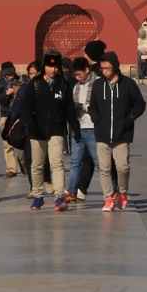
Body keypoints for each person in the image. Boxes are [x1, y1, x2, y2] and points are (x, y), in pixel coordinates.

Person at [15, 52, 75, 211]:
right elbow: (26, 109)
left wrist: (75, 129)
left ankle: (58, 197)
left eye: (55, 66)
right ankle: (38, 196)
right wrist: (32, 126)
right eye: (50, 66)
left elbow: (69, 110)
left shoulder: (63, 85)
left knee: (57, 163)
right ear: (44, 66)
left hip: (56, 130)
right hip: (36, 131)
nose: (53, 70)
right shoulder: (34, 84)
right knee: (37, 165)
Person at [89, 51, 146, 210]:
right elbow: (92, 106)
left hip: (122, 134)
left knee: (123, 167)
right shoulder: (98, 85)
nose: (104, 71)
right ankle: (108, 198)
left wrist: (130, 119)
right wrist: (97, 121)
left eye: (107, 68)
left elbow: (140, 104)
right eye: (102, 68)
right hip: (102, 134)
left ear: (114, 66)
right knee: (104, 169)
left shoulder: (128, 84)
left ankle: (122, 191)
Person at [63, 56, 101, 209]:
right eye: (75, 76)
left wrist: (86, 107)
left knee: (99, 163)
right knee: (75, 162)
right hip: (79, 127)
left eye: (79, 74)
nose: (77, 78)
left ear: (87, 70)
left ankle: (111, 191)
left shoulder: (98, 83)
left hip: (93, 128)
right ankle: (71, 191)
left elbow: (99, 105)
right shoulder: (76, 87)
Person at [0, 61, 27, 180]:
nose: (11, 77)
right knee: (7, 144)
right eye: (8, 75)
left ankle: (23, 161)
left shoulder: (22, 80)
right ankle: (11, 169)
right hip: (6, 115)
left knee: (22, 141)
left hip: (20, 116)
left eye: (12, 74)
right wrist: (6, 94)